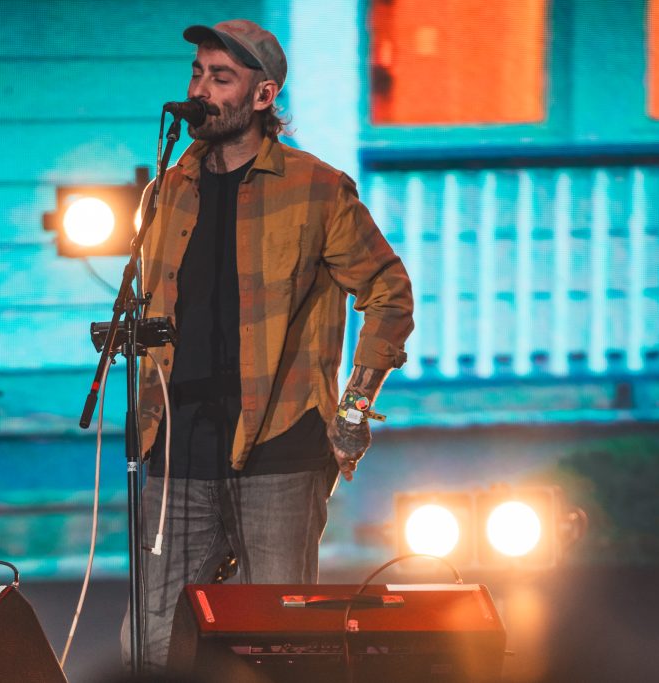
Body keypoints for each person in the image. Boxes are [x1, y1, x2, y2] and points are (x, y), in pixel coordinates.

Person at [122, 19, 414, 670]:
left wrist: (355, 406)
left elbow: (390, 291)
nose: (201, 88)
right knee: (148, 642)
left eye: (220, 77)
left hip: (281, 444)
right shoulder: (169, 190)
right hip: (179, 447)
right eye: (197, 73)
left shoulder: (317, 188)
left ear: (262, 95)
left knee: (278, 642)